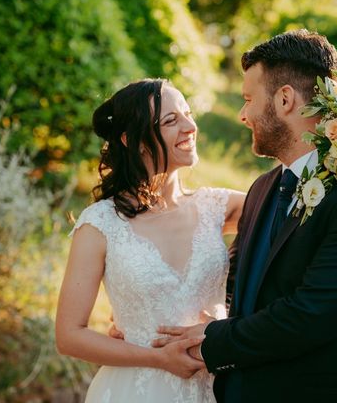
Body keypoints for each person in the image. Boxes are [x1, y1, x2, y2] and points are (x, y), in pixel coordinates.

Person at [153, 30, 337, 403]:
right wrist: (148, 327)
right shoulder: (261, 188)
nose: (242, 115)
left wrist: (211, 341)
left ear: (286, 99)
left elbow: (310, 316)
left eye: (247, 99)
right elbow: (238, 287)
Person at [55, 78, 246, 402]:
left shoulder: (219, 207)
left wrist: (233, 322)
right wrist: (158, 358)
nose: (190, 126)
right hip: (136, 389)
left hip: (217, 386)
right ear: (134, 140)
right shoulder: (100, 224)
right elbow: (69, 335)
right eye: (172, 120)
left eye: (187, 113)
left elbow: (295, 227)